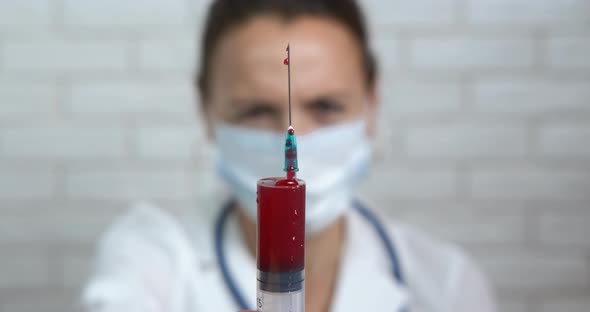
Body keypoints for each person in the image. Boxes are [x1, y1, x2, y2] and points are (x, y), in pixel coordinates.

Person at [82, 0, 497, 311]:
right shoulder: (151, 261)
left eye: (327, 107)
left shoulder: (446, 284)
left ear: (372, 101)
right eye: (256, 111)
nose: (291, 144)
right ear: (205, 108)